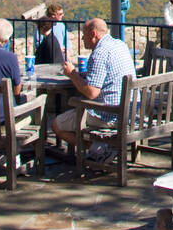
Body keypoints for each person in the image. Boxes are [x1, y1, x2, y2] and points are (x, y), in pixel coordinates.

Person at [51, 18, 136, 151]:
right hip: (131, 111)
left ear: (93, 34)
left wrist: (72, 73)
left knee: (56, 125)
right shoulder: (120, 44)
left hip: (111, 115)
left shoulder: (99, 54)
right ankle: (97, 148)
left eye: (84, 34)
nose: (82, 38)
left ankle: (95, 148)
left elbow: (91, 92)